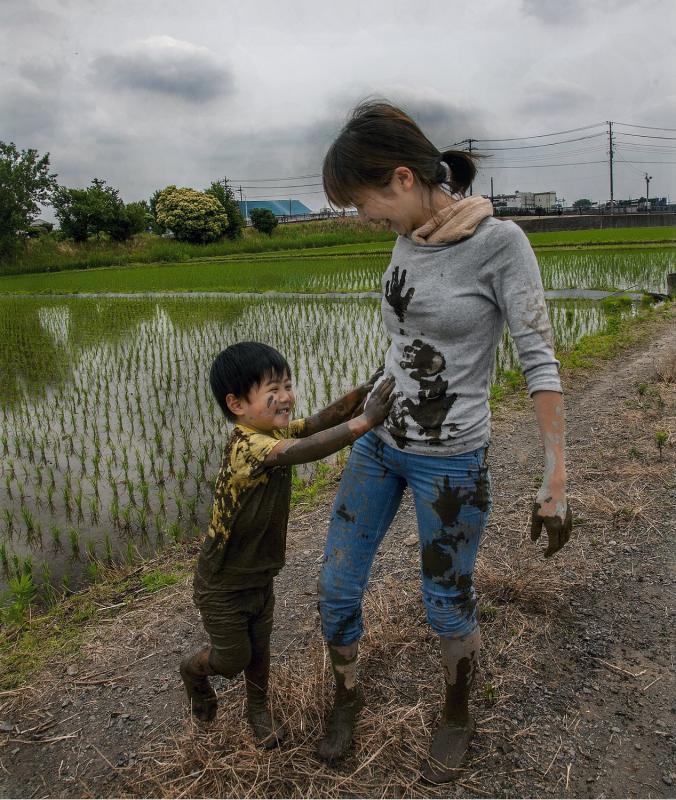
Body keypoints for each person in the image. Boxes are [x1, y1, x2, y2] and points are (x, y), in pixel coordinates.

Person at [317, 102, 572, 782]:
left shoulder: (501, 245)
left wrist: (554, 481)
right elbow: (403, 344)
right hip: (380, 446)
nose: (362, 218)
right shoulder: (409, 236)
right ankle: (347, 695)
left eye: (362, 201)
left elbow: (540, 359)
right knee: (336, 587)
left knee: (445, 602)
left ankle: (458, 711)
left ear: (402, 178)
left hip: (451, 463)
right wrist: (341, 412)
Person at [179, 341, 394, 748]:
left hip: (260, 573)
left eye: (288, 385)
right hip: (223, 580)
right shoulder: (249, 445)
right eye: (271, 390)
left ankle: (258, 711)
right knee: (232, 659)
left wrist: (362, 392)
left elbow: (313, 424)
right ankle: (193, 671)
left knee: (260, 651)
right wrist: (365, 421)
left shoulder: (271, 431)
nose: (286, 398)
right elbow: (306, 448)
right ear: (237, 404)